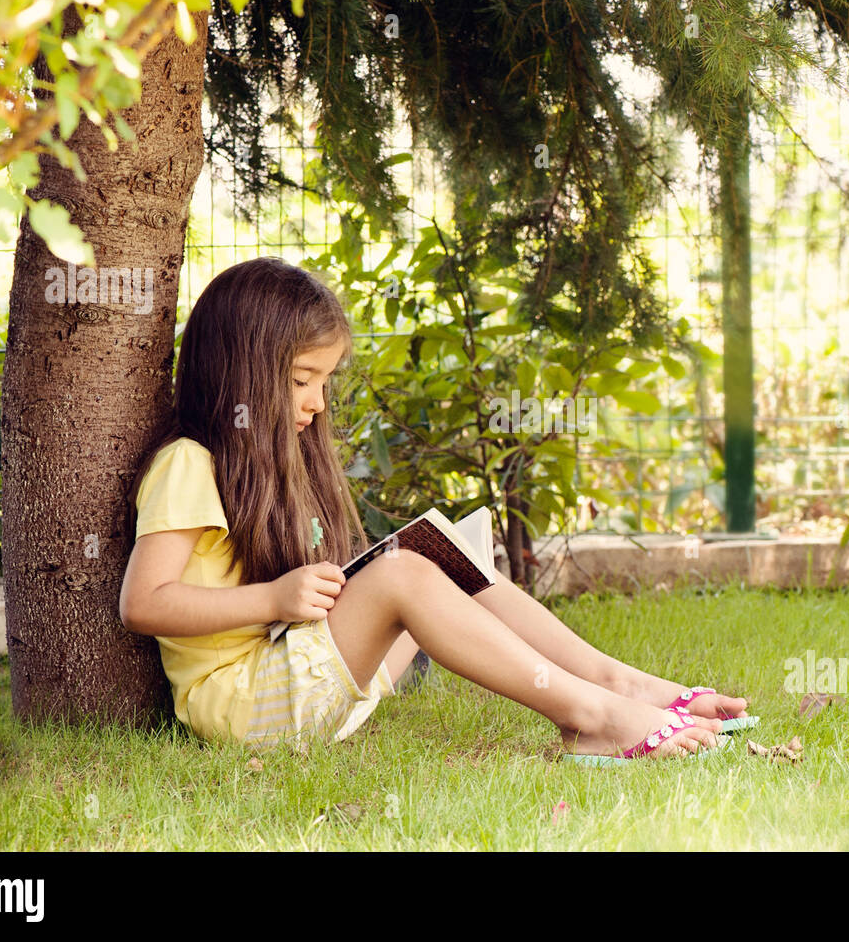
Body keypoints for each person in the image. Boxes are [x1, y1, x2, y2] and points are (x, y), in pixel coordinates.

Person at [119, 257, 748, 760]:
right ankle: (593, 717)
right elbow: (143, 603)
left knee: (436, 554)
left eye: (326, 381)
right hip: (244, 707)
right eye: (299, 379)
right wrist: (273, 599)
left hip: (308, 688)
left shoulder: (277, 464)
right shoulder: (189, 464)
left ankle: (618, 683)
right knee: (404, 573)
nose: (315, 402)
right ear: (242, 371)